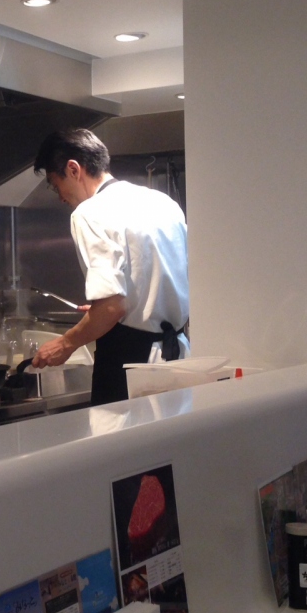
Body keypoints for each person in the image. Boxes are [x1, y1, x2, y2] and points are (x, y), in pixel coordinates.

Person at [30, 128, 189, 406]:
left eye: (56, 185)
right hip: (178, 357)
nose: (61, 197)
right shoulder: (163, 202)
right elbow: (158, 284)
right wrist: (103, 312)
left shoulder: (89, 213)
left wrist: (65, 343)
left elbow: (113, 307)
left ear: (73, 169)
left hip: (130, 364)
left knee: (120, 436)